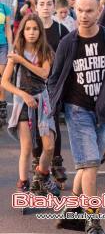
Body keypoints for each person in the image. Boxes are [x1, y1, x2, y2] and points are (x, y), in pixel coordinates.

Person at [49, 0, 105, 234]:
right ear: (74, 10)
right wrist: (50, 112)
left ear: (99, 11)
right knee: (89, 165)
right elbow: (54, 79)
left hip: (101, 112)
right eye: (80, 10)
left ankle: (72, 212)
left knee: (89, 165)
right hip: (76, 111)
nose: (84, 15)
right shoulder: (68, 42)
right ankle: (92, 219)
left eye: (90, 11)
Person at [2, 14, 60, 198]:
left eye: (35, 29)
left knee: (49, 146)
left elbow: (44, 73)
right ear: (23, 31)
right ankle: (23, 184)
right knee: (26, 147)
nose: (32, 32)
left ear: (40, 31)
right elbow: (5, 82)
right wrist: (23, 94)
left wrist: (23, 61)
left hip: (42, 101)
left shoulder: (46, 51)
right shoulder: (16, 52)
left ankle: (42, 174)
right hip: (23, 103)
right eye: (28, 29)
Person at [34, 0, 70, 189]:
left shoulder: (60, 29)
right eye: (42, 4)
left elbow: (68, 57)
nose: (46, 7)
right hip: (33, 84)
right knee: (34, 126)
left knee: (53, 123)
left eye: (49, 4)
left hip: (54, 85)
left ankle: (56, 162)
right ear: (36, 7)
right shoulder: (32, 28)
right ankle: (37, 162)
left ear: (54, 6)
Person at [0, 0, 13, 129]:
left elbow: (8, 29)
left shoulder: (4, 8)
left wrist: (11, 46)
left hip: (2, 46)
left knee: (2, 79)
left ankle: (2, 111)